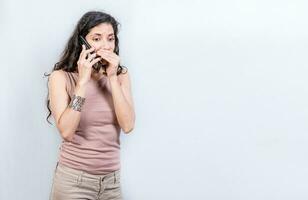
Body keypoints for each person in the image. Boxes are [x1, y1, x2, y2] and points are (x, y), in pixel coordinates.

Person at [45, 10, 135, 200]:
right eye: (97, 38)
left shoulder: (120, 76)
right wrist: (82, 82)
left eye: (110, 39)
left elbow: (128, 125)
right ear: (83, 43)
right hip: (74, 182)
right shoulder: (61, 77)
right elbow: (67, 131)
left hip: (111, 183)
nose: (106, 46)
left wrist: (111, 78)